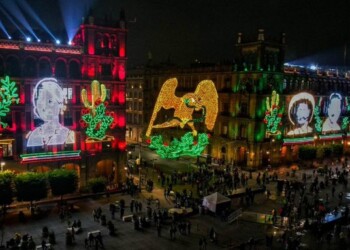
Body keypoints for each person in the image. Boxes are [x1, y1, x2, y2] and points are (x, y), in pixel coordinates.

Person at [27, 78, 75, 146]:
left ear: (60, 104)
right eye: (41, 102)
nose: (45, 107)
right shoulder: (34, 135)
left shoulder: (67, 134)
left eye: (50, 101)